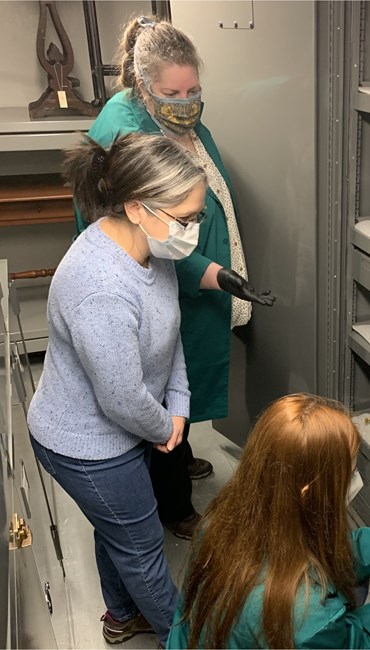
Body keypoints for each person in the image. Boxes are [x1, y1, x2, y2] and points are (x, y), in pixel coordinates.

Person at [75, 15, 275, 540]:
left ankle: (179, 455)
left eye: (194, 90)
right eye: (172, 92)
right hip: (164, 280)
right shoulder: (123, 131)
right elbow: (137, 236)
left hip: (188, 280)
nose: (186, 101)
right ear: (142, 86)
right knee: (157, 392)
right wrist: (212, 273)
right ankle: (175, 507)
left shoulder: (178, 117)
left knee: (179, 380)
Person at [28, 132, 213, 645]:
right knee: (141, 545)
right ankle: (187, 640)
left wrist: (179, 408)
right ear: (137, 207)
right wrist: (164, 426)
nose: (191, 231)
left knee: (119, 530)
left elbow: (170, 331)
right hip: (85, 444)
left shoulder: (149, 248)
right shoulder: (99, 287)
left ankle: (120, 614)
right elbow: (122, 398)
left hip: (131, 426)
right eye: (186, 218)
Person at [167, 394, 370, 649]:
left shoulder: (225, 521)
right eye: (349, 473)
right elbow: (360, 641)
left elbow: (333, 550)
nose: (354, 478)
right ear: (310, 491)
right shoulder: (307, 619)